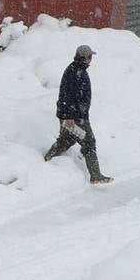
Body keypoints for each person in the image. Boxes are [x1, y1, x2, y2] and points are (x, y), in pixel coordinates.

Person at [43, 44, 112, 184]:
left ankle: (47, 159)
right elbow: (67, 95)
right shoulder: (75, 72)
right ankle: (95, 175)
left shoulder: (77, 69)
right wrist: (69, 117)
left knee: (67, 139)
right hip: (74, 117)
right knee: (89, 141)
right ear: (85, 57)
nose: (91, 59)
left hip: (74, 115)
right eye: (90, 56)